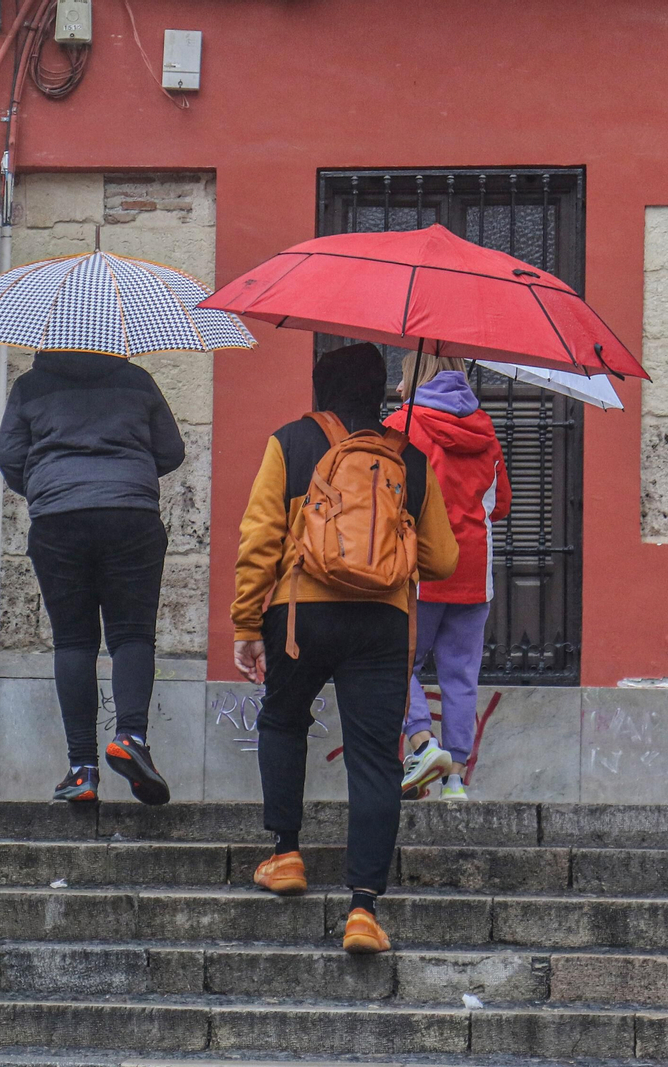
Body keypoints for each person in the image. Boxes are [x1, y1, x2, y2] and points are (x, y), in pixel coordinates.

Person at [231, 342, 458, 954]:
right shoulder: (407, 457)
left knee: (282, 719)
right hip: (381, 623)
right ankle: (362, 911)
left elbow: (259, 540)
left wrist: (247, 625)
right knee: (375, 758)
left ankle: (285, 856)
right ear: (380, 394)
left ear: (319, 390)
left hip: (301, 614)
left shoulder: (290, 442)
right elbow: (443, 559)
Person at [0, 349, 184, 805]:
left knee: (74, 641)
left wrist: (48, 483)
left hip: (58, 520)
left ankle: (82, 770)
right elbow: (172, 452)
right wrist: (126, 471)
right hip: (131, 514)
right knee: (132, 635)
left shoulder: (30, 387)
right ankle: (131, 739)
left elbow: (9, 455)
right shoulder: (136, 381)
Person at [386, 355, 508, 801]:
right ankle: (455, 778)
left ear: (413, 376)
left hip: (420, 567)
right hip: (475, 571)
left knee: (397, 660)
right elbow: (499, 504)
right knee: (461, 675)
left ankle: (422, 745)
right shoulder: (485, 428)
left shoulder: (403, 424)